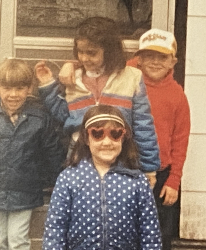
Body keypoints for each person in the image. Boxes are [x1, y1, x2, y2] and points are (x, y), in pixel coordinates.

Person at [35, 17, 160, 187]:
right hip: (80, 156)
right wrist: (48, 85)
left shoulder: (132, 77)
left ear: (109, 51)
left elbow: (143, 125)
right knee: (84, 207)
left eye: (91, 53)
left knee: (116, 207)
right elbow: (65, 116)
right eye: (81, 52)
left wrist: (149, 168)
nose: (84, 58)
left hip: (120, 155)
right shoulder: (73, 79)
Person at [0, 58, 65, 250]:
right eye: (7, 88)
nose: (13, 95)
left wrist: (55, 181)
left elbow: (52, 152)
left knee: (18, 241)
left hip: (25, 192)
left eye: (19, 89)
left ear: (29, 89)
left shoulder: (39, 120)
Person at [42, 104, 162, 250]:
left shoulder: (137, 181)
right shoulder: (68, 179)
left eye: (115, 134)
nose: (107, 142)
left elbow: (150, 232)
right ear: (86, 138)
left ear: (123, 138)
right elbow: (56, 229)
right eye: (97, 134)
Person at [126, 28, 190, 250]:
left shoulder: (177, 95)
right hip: (126, 168)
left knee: (159, 234)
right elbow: (93, 66)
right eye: (149, 56)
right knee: (124, 231)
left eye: (162, 57)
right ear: (138, 59)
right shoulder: (125, 79)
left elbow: (181, 140)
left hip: (161, 175)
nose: (155, 62)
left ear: (173, 61)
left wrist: (174, 181)